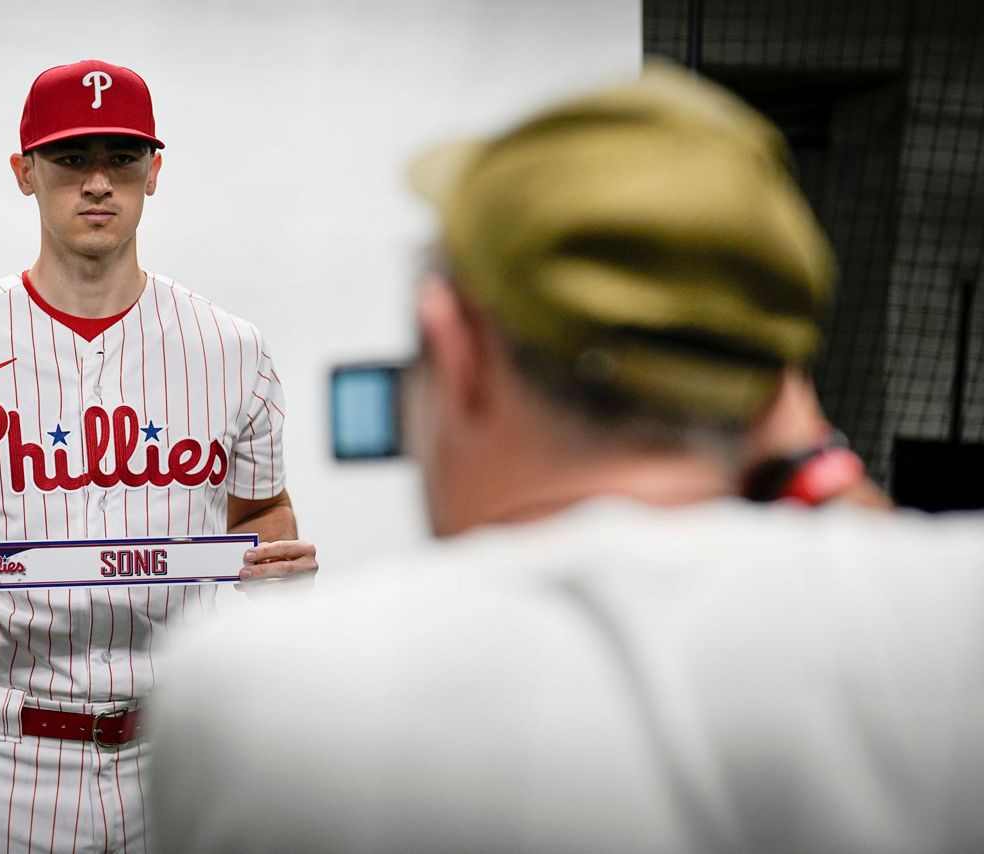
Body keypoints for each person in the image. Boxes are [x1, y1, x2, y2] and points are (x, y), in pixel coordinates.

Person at [145, 65, 984, 854]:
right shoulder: (956, 624)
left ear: (456, 350)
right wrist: (813, 463)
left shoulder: (256, 695)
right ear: (776, 387)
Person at [0, 59, 317, 853]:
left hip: (185, 747)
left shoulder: (233, 349)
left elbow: (261, 511)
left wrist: (274, 558)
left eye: (122, 158)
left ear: (154, 172)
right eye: (71, 158)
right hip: (9, 753)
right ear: (23, 171)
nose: (99, 181)